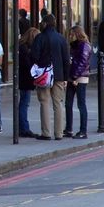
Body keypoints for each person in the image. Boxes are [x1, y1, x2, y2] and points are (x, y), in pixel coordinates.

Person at [31, 13, 69, 141]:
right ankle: (59, 133)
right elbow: (65, 59)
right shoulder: (61, 38)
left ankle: (46, 133)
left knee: (44, 102)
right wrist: (66, 77)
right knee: (58, 103)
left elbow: (34, 56)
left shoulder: (40, 38)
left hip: (44, 74)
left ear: (45, 24)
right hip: (59, 75)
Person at [64, 25, 91, 139]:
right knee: (68, 103)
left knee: (81, 104)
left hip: (80, 78)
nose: (70, 36)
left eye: (72, 34)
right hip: (72, 77)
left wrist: (74, 77)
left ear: (77, 34)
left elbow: (82, 63)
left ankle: (83, 131)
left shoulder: (84, 46)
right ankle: (69, 129)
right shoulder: (74, 45)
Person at [18, 27, 40, 137]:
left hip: (24, 79)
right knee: (24, 103)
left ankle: (22, 127)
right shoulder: (25, 49)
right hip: (25, 79)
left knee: (24, 103)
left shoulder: (23, 47)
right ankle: (24, 129)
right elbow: (28, 65)